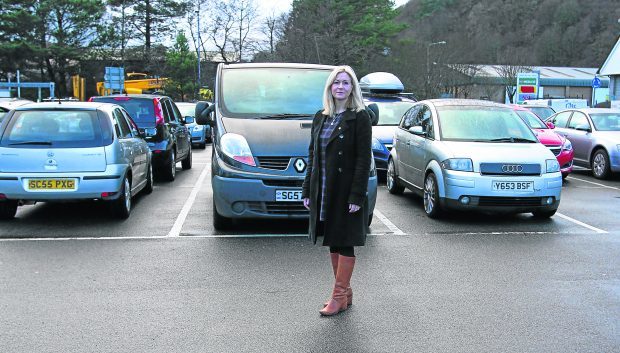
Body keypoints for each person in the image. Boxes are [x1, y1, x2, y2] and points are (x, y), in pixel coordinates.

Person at [301, 65, 372, 316]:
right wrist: (307, 189)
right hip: (324, 188)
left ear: (353, 88)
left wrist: (357, 195)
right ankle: (345, 294)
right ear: (330, 87)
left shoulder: (360, 117)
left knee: (345, 241)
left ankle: (338, 296)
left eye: (346, 82)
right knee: (332, 239)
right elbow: (313, 154)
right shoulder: (321, 116)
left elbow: (364, 159)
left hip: (345, 190)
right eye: (336, 82)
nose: (340, 87)